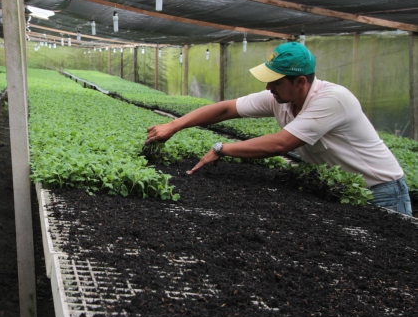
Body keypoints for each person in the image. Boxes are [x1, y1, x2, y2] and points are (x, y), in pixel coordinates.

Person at [145, 42, 413, 216]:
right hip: (340, 187)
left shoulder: (332, 99)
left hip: (380, 191)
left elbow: (280, 144)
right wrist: (173, 125)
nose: (267, 88)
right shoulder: (280, 98)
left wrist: (221, 148)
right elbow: (226, 109)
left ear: (299, 82)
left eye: (274, 81)